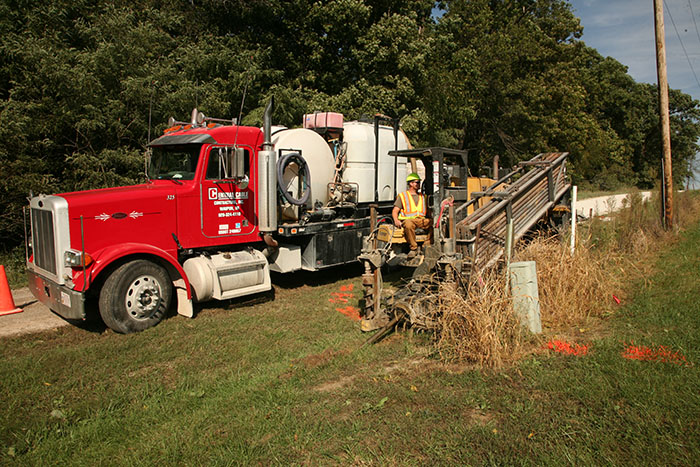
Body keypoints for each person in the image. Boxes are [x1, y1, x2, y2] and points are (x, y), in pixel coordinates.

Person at [392, 173, 433, 258]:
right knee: (408, 224)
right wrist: (396, 220)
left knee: (435, 223)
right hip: (409, 220)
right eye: (417, 182)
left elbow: (428, 211)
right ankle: (413, 248)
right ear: (411, 183)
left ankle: (426, 245)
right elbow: (395, 210)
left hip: (421, 220)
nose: (419, 184)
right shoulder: (403, 196)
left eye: (419, 182)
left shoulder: (423, 196)